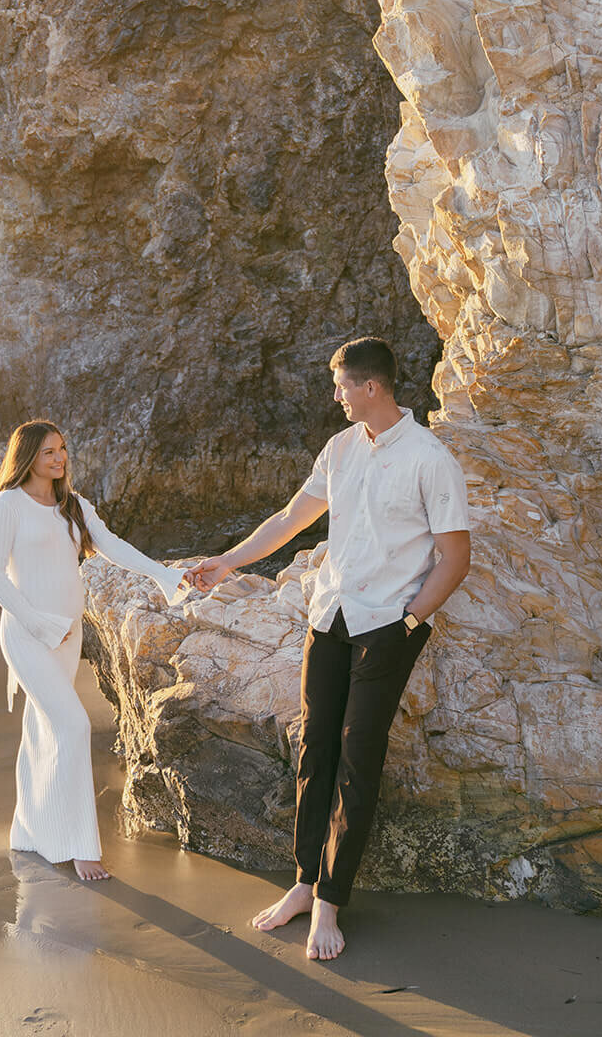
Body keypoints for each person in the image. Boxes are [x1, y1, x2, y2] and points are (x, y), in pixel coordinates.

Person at [188, 336, 470, 961]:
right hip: (330, 618)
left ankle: (330, 903)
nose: (335, 395)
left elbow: (456, 558)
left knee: (356, 760)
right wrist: (227, 562)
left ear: (371, 386)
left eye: (342, 385)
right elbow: (291, 518)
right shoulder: (340, 448)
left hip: (386, 627)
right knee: (314, 751)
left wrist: (409, 622)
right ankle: (303, 881)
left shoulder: (430, 459)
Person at [0, 419, 188, 881]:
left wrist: (166, 575)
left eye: (62, 449)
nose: (59, 458)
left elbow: (111, 546)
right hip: (28, 635)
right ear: (27, 456)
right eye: (48, 451)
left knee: (42, 729)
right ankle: (80, 847)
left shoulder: (72, 505)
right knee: (73, 726)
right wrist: (40, 624)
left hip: (68, 636)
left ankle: (28, 832)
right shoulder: (7, 505)